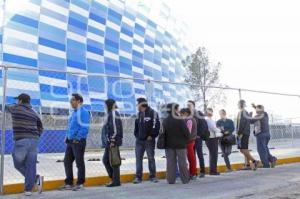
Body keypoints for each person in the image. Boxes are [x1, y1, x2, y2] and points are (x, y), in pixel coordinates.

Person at [6, 93, 44, 196]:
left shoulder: (16, 107)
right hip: (34, 140)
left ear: (21, 101)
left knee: (17, 163)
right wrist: (36, 136)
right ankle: (29, 188)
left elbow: (5, 107)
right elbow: (41, 126)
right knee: (31, 164)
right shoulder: (34, 111)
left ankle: (34, 179)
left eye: (18, 100)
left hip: (22, 140)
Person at [60, 93, 91, 191]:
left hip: (78, 141)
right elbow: (70, 127)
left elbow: (84, 127)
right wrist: (67, 137)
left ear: (79, 101)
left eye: (72, 100)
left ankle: (80, 184)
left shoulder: (84, 112)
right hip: (70, 141)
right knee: (67, 161)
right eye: (70, 100)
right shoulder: (73, 112)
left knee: (79, 162)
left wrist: (77, 138)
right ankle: (69, 183)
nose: (71, 102)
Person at [133, 98, 160, 184]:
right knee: (138, 159)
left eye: (138, 104)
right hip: (139, 141)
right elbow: (136, 127)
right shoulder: (138, 114)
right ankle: (138, 177)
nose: (137, 106)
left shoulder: (153, 113)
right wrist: (137, 136)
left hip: (149, 141)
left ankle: (153, 176)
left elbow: (156, 126)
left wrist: (151, 136)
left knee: (151, 158)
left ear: (141, 104)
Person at [163, 103, 190, 184]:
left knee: (170, 163)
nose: (179, 110)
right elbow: (186, 133)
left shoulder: (165, 120)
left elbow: (163, 133)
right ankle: (185, 179)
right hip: (180, 145)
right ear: (174, 109)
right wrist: (186, 140)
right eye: (177, 108)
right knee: (182, 162)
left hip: (168, 145)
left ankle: (170, 180)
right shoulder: (180, 119)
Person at [102, 99, 123, 187]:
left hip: (112, 142)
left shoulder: (113, 113)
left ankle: (116, 181)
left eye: (105, 105)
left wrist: (112, 141)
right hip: (109, 142)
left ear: (109, 105)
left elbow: (115, 129)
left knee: (114, 161)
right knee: (106, 160)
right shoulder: (110, 114)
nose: (104, 107)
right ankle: (114, 179)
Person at [187, 100, 208, 178]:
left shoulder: (198, 113)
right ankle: (194, 172)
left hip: (198, 138)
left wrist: (199, 135)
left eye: (189, 105)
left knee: (199, 154)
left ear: (193, 106)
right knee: (192, 156)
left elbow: (204, 125)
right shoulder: (187, 115)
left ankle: (202, 171)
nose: (188, 106)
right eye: (187, 105)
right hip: (190, 139)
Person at [236, 100, 259, 170]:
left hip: (242, 133)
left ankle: (254, 161)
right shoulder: (246, 112)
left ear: (240, 105)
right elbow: (250, 121)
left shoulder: (241, 112)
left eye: (238, 104)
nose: (237, 105)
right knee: (244, 149)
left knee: (243, 149)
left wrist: (238, 133)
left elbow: (241, 124)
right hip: (246, 133)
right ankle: (248, 164)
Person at [180, 108, 197, 180]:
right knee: (191, 158)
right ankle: (192, 173)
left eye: (182, 114)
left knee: (191, 158)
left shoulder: (189, 120)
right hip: (191, 141)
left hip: (189, 142)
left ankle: (192, 173)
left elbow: (188, 132)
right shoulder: (191, 119)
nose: (181, 115)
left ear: (186, 113)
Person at [205, 108, 222, 175]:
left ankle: (212, 170)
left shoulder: (210, 119)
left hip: (212, 138)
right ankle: (213, 171)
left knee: (213, 155)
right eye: (209, 111)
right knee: (214, 155)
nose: (211, 112)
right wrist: (220, 130)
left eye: (211, 111)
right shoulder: (208, 120)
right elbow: (213, 128)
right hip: (211, 138)